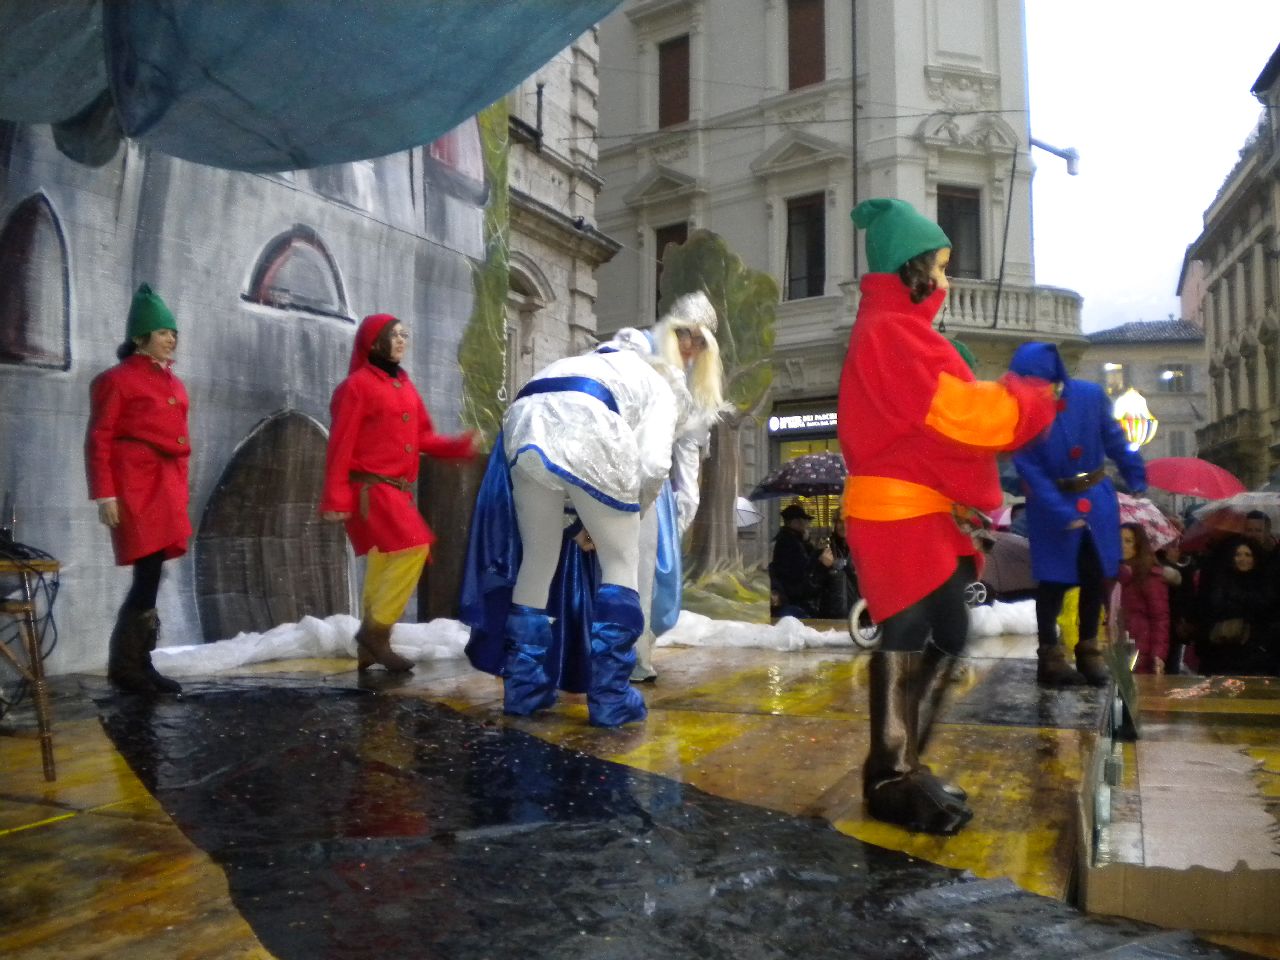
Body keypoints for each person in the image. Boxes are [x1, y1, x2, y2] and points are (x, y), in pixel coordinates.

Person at [838, 198, 1058, 835]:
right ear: (912, 269)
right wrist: (1033, 399)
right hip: (897, 514)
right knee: (911, 632)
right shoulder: (891, 332)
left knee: (948, 630)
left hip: (920, 513)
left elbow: (939, 424)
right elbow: (964, 415)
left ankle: (904, 763)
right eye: (939, 265)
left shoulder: (898, 330)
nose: (946, 277)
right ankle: (890, 775)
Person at [462, 322, 700, 727]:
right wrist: (632, 512)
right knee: (620, 561)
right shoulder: (663, 388)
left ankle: (524, 689)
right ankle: (610, 696)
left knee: (537, 559)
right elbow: (654, 464)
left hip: (525, 417)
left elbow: (561, 456)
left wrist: (575, 523)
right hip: (589, 417)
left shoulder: (588, 362)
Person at [320, 313, 474, 672]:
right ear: (374, 343)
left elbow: (423, 437)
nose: (403, 340)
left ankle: (371, 644)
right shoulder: (356, 387)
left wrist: (459, 446)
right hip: (371, 490)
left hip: (395, 492)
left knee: (384, 559)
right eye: (395, 335)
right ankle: (376, 632)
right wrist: (336, 497)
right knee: (414, 547)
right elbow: (340, 445)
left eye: (405, 334)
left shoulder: (404, 386)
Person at [1008, 342, 1147, 688]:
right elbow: (1029, 468)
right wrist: (1058, 511)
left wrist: (1134, 472)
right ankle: (1050, 656)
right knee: (1052, 582)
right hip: (1050, 503)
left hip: (1095, 498)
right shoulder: (1020, 410)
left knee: (1094, 576)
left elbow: (1115, 439)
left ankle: (1088, 650)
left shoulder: (1090, 395)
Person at [85, 284, 190, 695]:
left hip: (165, 483)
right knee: (147, 571)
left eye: (173, 332)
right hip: (136, 483)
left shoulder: (170, 380)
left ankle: (138, 662)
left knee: (153, 571)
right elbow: (99, 438)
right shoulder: (116, 380)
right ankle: (128, 665)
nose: (171, 338)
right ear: (140, 337)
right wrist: (105, 493)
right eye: (163, 332)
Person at [630, 293, 725, 683]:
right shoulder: (636, 352)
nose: (691, 346)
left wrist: (680, 514)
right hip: (614, 475)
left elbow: (687, 465)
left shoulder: (696, 394)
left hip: (653, 490)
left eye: (701, 341)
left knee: (652, 579)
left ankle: (636, 656)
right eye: (686, 335)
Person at [1196, 537, 1278, 676]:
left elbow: (1266, 607)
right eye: (1238, 554)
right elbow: (1213, 607)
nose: (1243, 559)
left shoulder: (1263, 582)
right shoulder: (1221, 580)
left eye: (1247, 555)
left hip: (1255, 653)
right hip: (1224, 651)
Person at [1116, 523, 1169, 674]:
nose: (1122, 545)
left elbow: (1160, 619)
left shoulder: (1149, 576)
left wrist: (1158, 654)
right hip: (1115, 647)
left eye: (1128, 541)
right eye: (1119, 540)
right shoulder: (1111, 575)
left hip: (1140, 653)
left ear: (1138, 545)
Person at [768, 503, 833, 618]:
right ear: (794, 522)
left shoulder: (793, 539)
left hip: (795, 593)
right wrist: (817, 555)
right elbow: (804, 568)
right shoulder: (789, 542)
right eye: (804, 521)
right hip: (794, 596)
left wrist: (807, 543)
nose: (806, 525)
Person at [819, 514, 858, 618]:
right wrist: (821, 567)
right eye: (840, 522)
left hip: (859, 618)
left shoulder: (864, 549)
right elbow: (810, 588)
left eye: (848, 522)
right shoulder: (824, 548)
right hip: (830, 619)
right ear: (835, 524)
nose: (844, 526)